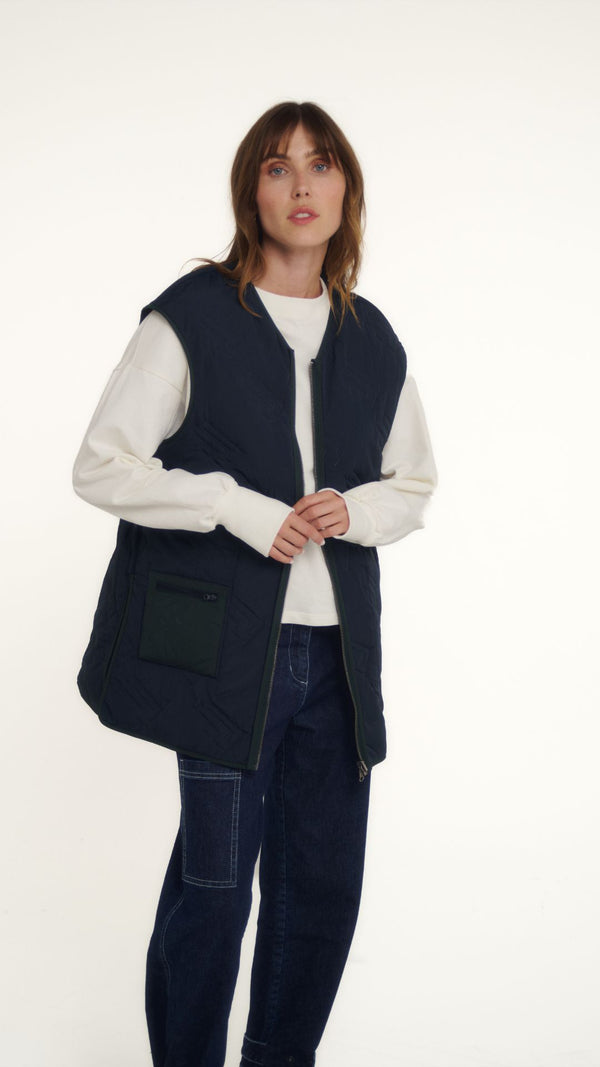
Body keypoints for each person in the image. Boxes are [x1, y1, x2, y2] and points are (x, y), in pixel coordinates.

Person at [72, 100, 438, 1067]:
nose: (302, 184)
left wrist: (350, 509)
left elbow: (414, 483)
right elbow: (102, 465)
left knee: (322, 891)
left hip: (339, 660)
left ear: (347, 187)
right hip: (228, 658)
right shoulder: (191, 316)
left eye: (321, 165)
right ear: (252, 192)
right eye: (278, 167)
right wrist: (232, 504)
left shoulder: (372, 337)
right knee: (215, 889)